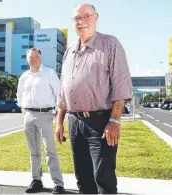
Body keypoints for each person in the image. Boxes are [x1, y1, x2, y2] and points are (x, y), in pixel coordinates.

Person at [55, 3, 133, 194]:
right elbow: (63, 90)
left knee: (103, 177)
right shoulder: (69, 51)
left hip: (100, 122)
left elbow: (121, 85)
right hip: (74, 122)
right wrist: (59, 122)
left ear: (96, 17)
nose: (81, 22)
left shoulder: (110, 44)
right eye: (76, 19)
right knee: (82, 177)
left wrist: (114, 120)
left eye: (86, 16)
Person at [17, 48, 65, 194]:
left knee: (49, 150)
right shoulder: (24, 76)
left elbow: (60, 93)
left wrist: (56, 111)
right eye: (31, 57)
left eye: (36, 56)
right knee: (33, 151)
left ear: (41, 58)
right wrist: (23, 107)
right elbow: (19, 94)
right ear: (27, 59)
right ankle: (36, 180)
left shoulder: (49, 73)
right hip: (29, 116)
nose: (34, 59)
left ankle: (58, 183)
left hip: (46, 115)